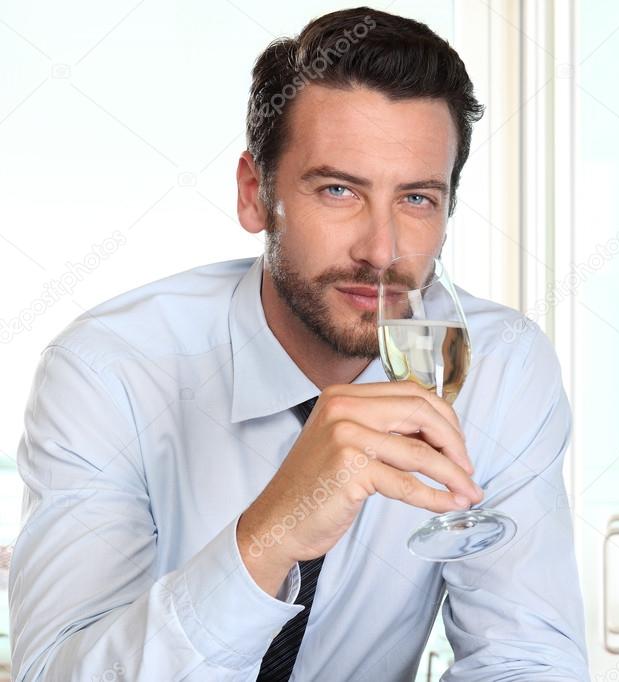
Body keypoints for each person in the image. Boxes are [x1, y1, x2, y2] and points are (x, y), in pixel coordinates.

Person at [8, 7, 588, 681]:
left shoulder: (502, 366)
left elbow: (526, 663)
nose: (381, 251)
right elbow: (54, 673)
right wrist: (270, 536)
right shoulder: (109, 369)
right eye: (338, 189)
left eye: (417, 199)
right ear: (255, 195)